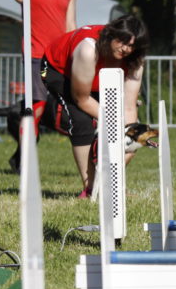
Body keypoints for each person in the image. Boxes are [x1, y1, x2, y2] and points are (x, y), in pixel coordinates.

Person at [40, 15, 149, 197]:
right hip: (58, 70)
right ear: (111, 35)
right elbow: (81, 98)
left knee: (134, 135)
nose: (125, 49)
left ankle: (109, 182)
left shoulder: (136, 60)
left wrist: (127, 131)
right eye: (122, 42)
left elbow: (129, 106)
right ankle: (91, 188)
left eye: (131, 46)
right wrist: (112, 121)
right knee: (81, 120)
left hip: (96, 78)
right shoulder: (88, 49)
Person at [10, 0, 77, 173]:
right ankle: (26, 161)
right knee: (35, 107)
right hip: (35, 53)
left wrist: (74, 54)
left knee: (70, 107)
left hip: (59, 56)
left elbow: (70, 25)